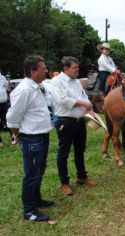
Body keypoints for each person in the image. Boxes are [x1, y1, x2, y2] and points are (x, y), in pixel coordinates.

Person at [6, 55, 53, 222]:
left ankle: (36, 199)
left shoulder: (37, 87)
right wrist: (17, 134)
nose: (46, 70)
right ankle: (29, 211)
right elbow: (12, 117)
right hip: (32, 139)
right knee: (32, 174)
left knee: (39, 171)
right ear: (33, 71)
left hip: (41, 135)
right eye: (43, 68)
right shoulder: (24, 89)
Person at [50, 56, 96, 196]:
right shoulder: (56, 81)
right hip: (65, 122)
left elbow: (84, 97)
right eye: (75, 68)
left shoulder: (76, 82)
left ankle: (82, 177)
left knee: (80, 150)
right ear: (65, 69)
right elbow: (62, 100)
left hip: (79, 121)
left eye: (78, 67)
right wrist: (83, 104)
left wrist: (90, 109)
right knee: (63, 153)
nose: (77, 70)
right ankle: (64, 183)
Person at [0, 70, 12, 147]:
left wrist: (9, 84)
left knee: (8, 120)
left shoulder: (2, 77)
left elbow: (8, 88)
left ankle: (14, 138)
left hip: (4, 103)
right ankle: (0, 142)